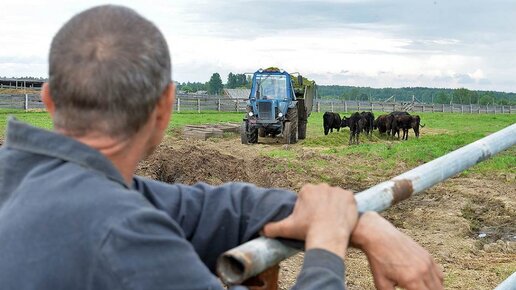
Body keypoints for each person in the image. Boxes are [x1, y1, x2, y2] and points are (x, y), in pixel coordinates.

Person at [0, 5, 443, 290]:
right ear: (166, 106)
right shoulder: (125, 241)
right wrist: (327, 242)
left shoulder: (32, 178)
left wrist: (361, 222)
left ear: (48, 98)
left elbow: (208, 206)